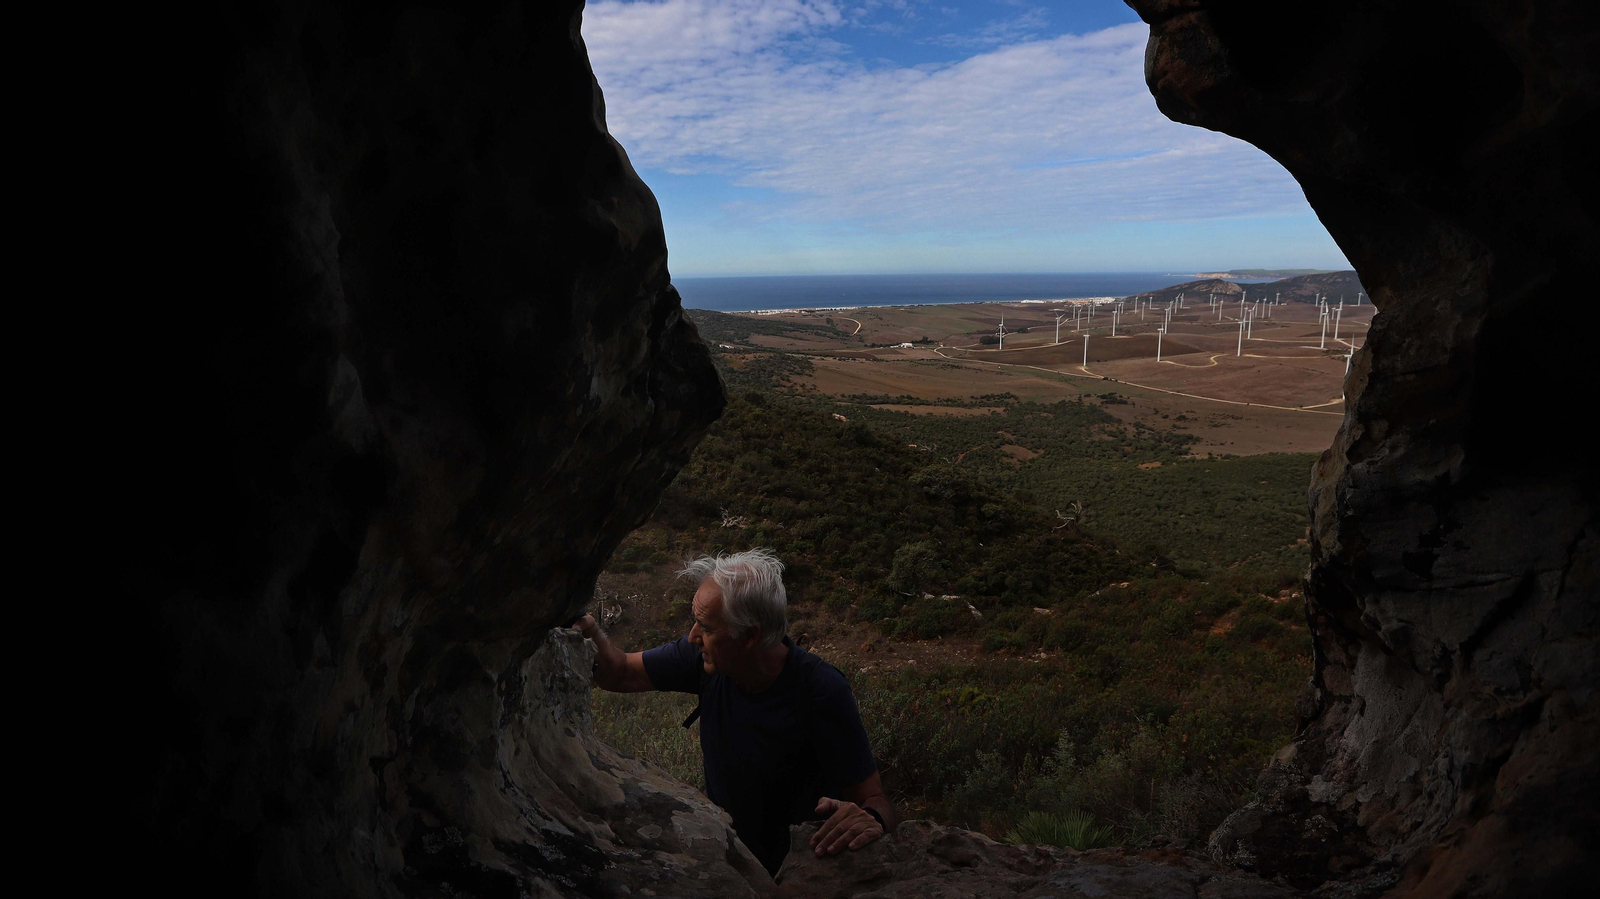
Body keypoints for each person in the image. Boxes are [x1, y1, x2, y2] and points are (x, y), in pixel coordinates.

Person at [576, 548, 898, 876]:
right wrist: (587, 629)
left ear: (750, 635)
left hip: (797, 876)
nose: (692, 636)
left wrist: (871, 819)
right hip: (730, 867)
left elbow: (875, 800)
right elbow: (620, 673)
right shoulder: (703, 659)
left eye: (706, 627)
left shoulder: (821, 690)